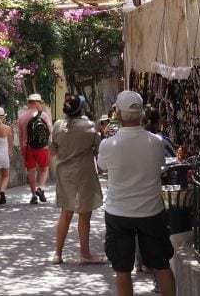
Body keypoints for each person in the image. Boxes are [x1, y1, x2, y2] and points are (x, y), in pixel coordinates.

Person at [97, 90, 176, 296]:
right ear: (142, 114)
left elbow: (102, 167)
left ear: (119, 114)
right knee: (162, 265)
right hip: (151, 211)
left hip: (119, 213)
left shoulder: (108, 145)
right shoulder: (156, 142)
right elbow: (160, 164)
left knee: (122, 269)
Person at [49, 94, 104, 265]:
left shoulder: (58, 125)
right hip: (84, 172)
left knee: (65, 213)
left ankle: (57, 254)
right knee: (84, 214)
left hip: (65, 174)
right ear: (80, 109)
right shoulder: (89, 126)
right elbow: (97, 150)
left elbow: (53, 151)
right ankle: (85, 254)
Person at [17, 93, 52, 204]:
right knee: (44, 168)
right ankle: (41, 188)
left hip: (28, 148)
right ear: (36, 103)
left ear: (29, 103)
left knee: (31, 171)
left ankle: (33, 195)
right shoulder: (44, 115)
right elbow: (49, 130)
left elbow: (21, 135)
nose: (41, 105)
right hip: (43, 147)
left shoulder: (22, 117)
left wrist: (22, 147)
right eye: (40, 102)